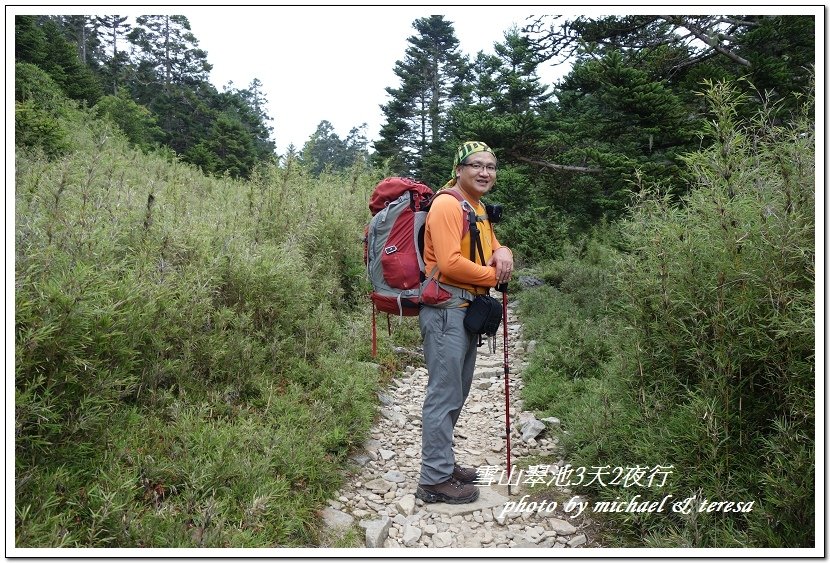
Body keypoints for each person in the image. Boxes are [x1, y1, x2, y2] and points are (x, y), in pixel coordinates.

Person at [415, 141, 514, 504]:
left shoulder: (476, 207)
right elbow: (451, 263)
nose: (485, 172)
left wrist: (504, 251)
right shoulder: (446, 204)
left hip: (463, 309)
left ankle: (443, 463)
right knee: (444, 394)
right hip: (445, 310)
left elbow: (491, 246)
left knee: (458, 391)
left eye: (491, 165)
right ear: (459, 169)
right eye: (476, 165)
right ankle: (433, 481)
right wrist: (494, 276)